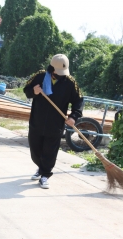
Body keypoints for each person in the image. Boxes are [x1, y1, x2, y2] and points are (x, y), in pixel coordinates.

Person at [24, 54, 83, 189]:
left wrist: (73, 116)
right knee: (35, 150)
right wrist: (34, 91)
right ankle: (41, 168)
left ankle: (45, 175)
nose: (61, 74)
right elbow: (26, 90)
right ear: (52, 68)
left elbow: (79, 101)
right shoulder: (40, 76)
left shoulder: (70, 82)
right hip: (37, 121)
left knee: (50, 151)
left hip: (55, 124)